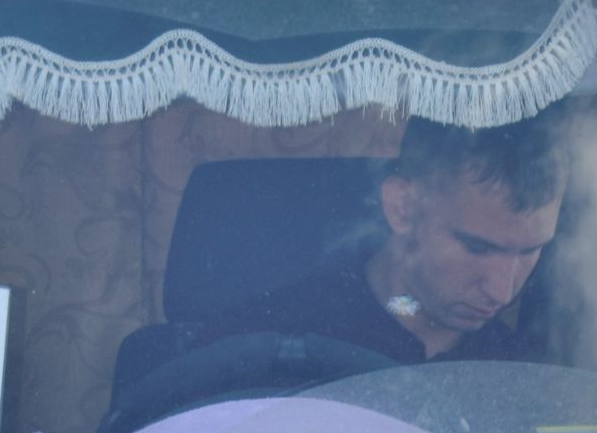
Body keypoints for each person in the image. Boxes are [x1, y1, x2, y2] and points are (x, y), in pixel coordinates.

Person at [205, 111, 569, 370]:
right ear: (402, 207)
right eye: (477, 247)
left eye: (530, 250)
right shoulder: (267, 347)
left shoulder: (526, 379)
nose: (502, 292)